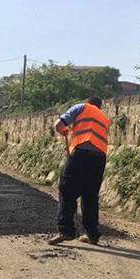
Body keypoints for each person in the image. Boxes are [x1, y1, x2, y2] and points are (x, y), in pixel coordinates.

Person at [48, 96, 110, 245]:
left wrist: (64, 131)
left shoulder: (82, 107)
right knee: (90, 196)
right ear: (99, 106)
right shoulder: (104, 117)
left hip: (82, 153)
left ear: (88, 102)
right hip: (100, 158)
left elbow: (58, 124)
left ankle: (67, 230)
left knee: (67, 190)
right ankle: (92, 234)